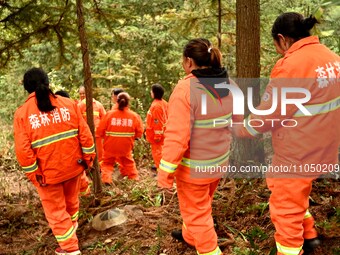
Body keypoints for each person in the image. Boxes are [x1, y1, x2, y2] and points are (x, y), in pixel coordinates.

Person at [233, 13, 340, 255]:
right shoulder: (333, 59)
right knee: (297, 194)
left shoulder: (291, 65)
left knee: (284, 206)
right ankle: (310, 234)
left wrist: (242, 129)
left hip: (298, 151)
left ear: (282, 39)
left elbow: (270, 113)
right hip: (325, 147)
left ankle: (291, 249)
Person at [157, 38, 241, 255]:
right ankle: (189, 236)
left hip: (194, 169)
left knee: (197, 213)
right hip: (218, 162)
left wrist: (165, 172)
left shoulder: (185, 89)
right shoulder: (230, 84)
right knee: (202, 204)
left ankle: (209, 250)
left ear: (188, 62)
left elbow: (177, 136)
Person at [14, 68, 96, 255]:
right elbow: (86, 136)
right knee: (71, 204)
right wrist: (87, 161)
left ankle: (70, 248)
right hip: (74, 168)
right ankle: (71, 231)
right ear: (47, 83)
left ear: (27, 88)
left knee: (56, 212)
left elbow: (23, 151)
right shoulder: (69, 104)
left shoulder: (23, 114)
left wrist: (35, 176)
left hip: (47, 175)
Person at [96, 92, 143, 184]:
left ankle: (106, 179)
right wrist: (134, 137)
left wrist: (102, 137)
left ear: (117, 101)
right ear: (128, 103)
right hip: (126, 146)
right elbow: (140, 132)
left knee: (107, 163)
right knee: (128, 162)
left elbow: (100, 130)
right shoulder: (134, 116)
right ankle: (134, 179)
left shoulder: (109, 114)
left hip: (110, 145)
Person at [55, 89, 91, 197]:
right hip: (70, 155)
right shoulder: (71, 108)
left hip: (71, 154)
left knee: (80, 177)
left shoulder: (72, 109)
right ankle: (84, 194)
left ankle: (85, 195)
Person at [78, 86, 106, 163]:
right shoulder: (79, 106)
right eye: (80, 94)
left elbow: (104, 118)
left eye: (84, 93)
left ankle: (100, 169)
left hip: (97, 135)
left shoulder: (98, 105)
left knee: (100, 152)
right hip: (85, 135)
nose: (82, 95)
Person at [145, 84, 168, 170]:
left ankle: (161, 171)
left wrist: (157, 135)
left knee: (157, 153)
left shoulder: (156, 106)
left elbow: (157, 122)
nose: (150, 92)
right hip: (163, 133)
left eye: (151, 91)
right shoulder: (164, 103)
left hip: (157, 135)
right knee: (162, 152)